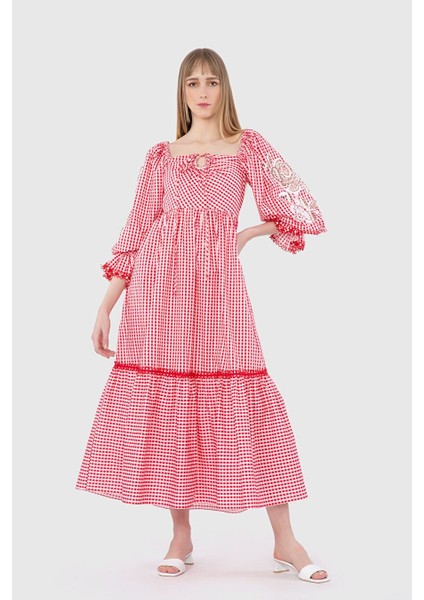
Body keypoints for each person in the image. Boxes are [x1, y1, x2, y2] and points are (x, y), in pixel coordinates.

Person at [75, 48, 330, 583]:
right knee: (172, 403)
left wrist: (249, 231)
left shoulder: (247, 146)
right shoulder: (161, 156)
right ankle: (181, 534)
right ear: (182, 91)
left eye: (212, 81)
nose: (203, 92)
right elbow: (137, 230)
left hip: (218, 290)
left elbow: (302, 207)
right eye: (193, 83)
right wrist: (106, 304)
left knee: (247, 395)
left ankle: (285, 539)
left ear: (225, 88)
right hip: (157, 292)